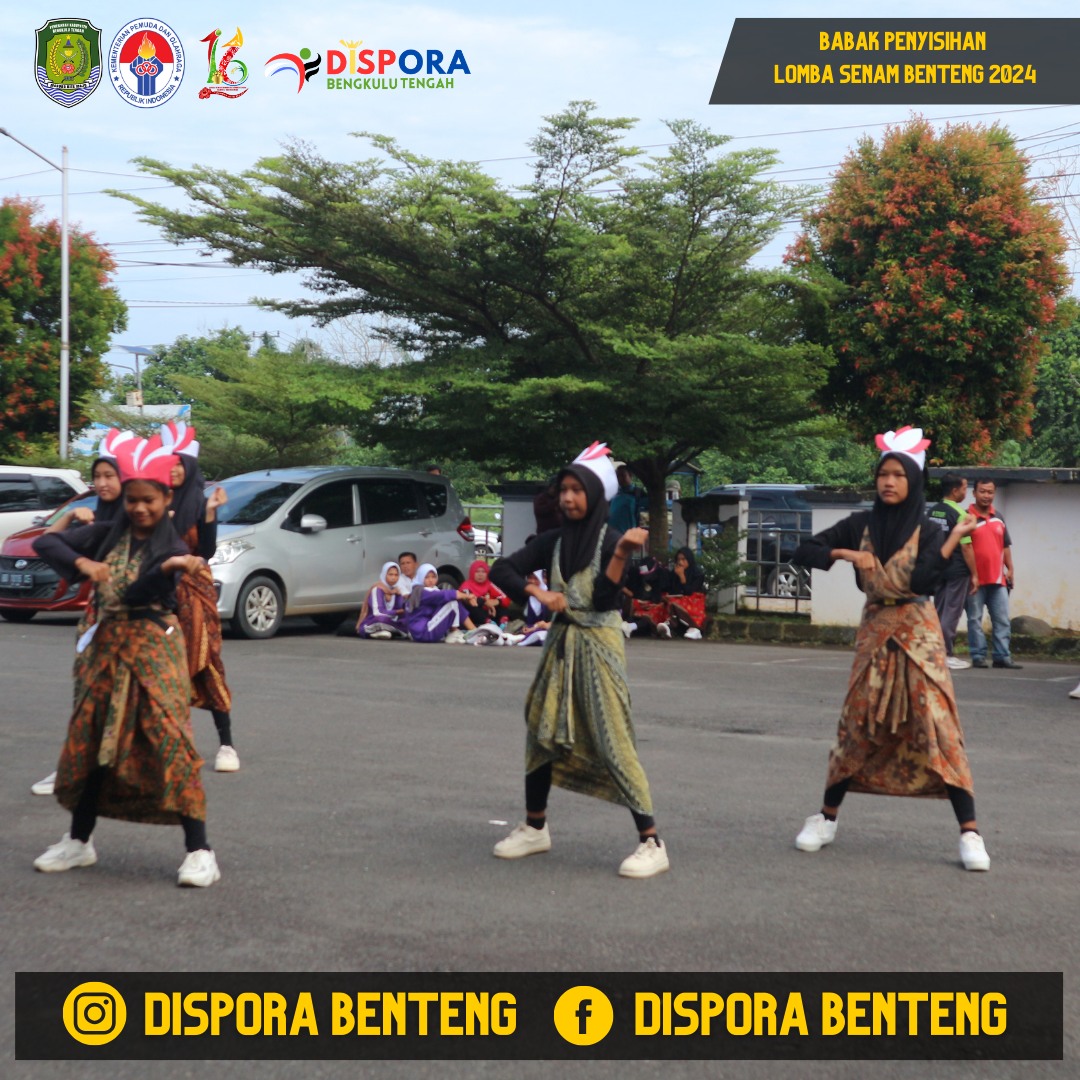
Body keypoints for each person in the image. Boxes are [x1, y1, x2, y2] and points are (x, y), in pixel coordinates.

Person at [789, 426, 990, 872]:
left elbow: (922, 582)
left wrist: (952, 540)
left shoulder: (928, 528)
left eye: (899, 475)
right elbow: (802, 550)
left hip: (919, 635)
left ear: (913, 481)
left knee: (939, 725)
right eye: (884, 474)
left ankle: (970, 832)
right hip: (875, 634)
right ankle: (826, 819)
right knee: (856, 723)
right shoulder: (859, 525)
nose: (889, 482)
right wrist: (847, 554)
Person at [32, 432, 221, 887]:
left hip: (154, 651)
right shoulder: (107, 533)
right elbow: (45, 545)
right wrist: (84, 565)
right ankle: (79, 841)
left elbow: (136, 594)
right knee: (93, 742)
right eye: (132, 500)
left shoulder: (174, 549)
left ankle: (200, 852)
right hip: (105, 653)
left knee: (170, 742)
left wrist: (169, 569)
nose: (139, 508)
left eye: (148, 501)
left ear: (167, 499)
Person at [490, 441, 669, 879]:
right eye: (564, 490)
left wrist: (622, 554)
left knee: (612, 736)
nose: (567, 498)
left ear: (593, 494)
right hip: (561, 644)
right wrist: (537, 591)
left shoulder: (612, 540)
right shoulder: (553, 541)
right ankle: (535, 827)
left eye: (576, 490)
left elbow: (606, 598)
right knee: (541, 730)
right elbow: (501, 570)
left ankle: (652, 841)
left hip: (599, 645)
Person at [31, 429, 131, 798]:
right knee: (90, 698)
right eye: (98, 476)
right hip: (101, 622)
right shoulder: (100, 523)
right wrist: (73, 515)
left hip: (141, 629)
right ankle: (74, 769)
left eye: (110, 476)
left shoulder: (132, 520)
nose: (102, 483)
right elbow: (44, 541)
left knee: (135, 705)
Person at [161, 421, 240, 771]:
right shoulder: (153, 500)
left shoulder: (200, 502)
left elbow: (205, 552)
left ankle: (227, 745)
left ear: (190, 467)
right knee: (163, 668)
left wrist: (209, 514)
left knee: (205, 662)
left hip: (194, 593)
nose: (174, 470)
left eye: (179, 464)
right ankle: (170, 745)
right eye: (169, 464)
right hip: (158, 592)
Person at [964, 479, 1020, 669]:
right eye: (982, 491)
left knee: (1002, 619)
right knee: (974, 619)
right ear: (974, 493)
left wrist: (1010, 569)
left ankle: (1002, 656)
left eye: (990, 492)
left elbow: (1005, 545)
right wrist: (972, 575)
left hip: (998, 579)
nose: (986, 496)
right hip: (974, 580)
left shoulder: (999, 517)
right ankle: (978, 656)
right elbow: (964, 547)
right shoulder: (966, 517)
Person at [927, 474, 979, 670]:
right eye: (965, 488)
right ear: (955, 490)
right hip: (957, 569)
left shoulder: (932, 511)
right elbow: (966, 547)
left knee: (939, 611)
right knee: (952, 612)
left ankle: (934, 652)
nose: (966, 492)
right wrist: (975, 574)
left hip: (937, 568)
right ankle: (945, 654)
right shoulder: (960, 514)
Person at [402, 563, 481, 643]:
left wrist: (465, 597)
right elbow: (445, 594)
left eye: (433, 577)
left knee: (452, 601)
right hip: (424, 632)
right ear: (420, 577)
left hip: (420, 633)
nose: (430, 580)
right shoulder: (422, 592)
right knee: (452, 603)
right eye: (427, 577)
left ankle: (473, 631)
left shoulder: (418, 590)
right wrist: (467, 596)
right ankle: (457, 632)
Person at [656, 546, 707, 641]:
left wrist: (682, 576)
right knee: (666, 604)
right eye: (678, 560)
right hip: (678, 600)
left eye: (683, 559)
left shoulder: (698, 574)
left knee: (676, 603)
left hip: (693, 602)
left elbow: (689, 592)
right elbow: (672, 590)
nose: (680, 562)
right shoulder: (674, 573)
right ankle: (668, 627)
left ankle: (694, 628)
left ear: (689, 560)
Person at [355, 561, 408, 639]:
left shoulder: (397, 591)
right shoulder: (377, 589)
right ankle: (374, 632)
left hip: (390, 621)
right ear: (384, 574)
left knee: (408, 620)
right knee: (381, 619)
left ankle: (385, 632)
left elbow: (401, 610)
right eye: (390, 574)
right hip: (375, 620)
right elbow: (377, 613)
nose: (393, 578)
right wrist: (396, 612)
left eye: (396, 575)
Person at [461, 559, 511, 627]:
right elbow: (467, 598)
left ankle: (503, 622)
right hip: (476, 616)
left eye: (483, 572)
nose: (480, 574)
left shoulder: (489, 584)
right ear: (472, 572)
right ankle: (489, 623)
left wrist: (496, 601)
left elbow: (506, 598)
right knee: (473, 606)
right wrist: (485, 602)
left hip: (490, 613)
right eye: (477, 571)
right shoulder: (466, 585)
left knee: (502, 605)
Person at [607, 463, 644, 534]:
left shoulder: (638, 493)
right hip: (611, 535)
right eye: (618, 476)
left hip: (628, 534)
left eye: (623, 475)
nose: (620, 479)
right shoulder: (614, 493)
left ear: (630, 476)